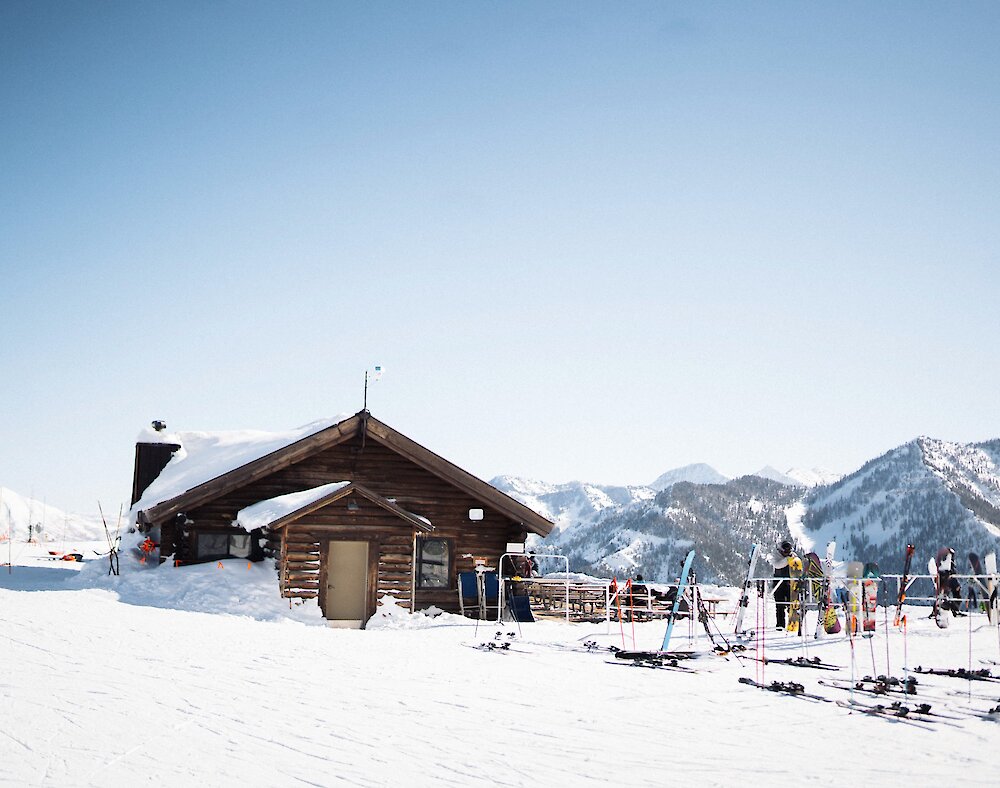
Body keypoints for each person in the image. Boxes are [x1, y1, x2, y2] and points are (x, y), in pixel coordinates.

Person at [773, 541, 794, 629]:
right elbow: (777, 565)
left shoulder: (793, 556)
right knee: (780, 606)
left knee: (791, 605)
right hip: (778, 583)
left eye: (789, 551)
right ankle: (780, 626)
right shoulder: (776, 556)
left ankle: (792, 625)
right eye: (785, 551)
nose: (787, 553)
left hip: (790, 583)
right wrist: (788, 559)